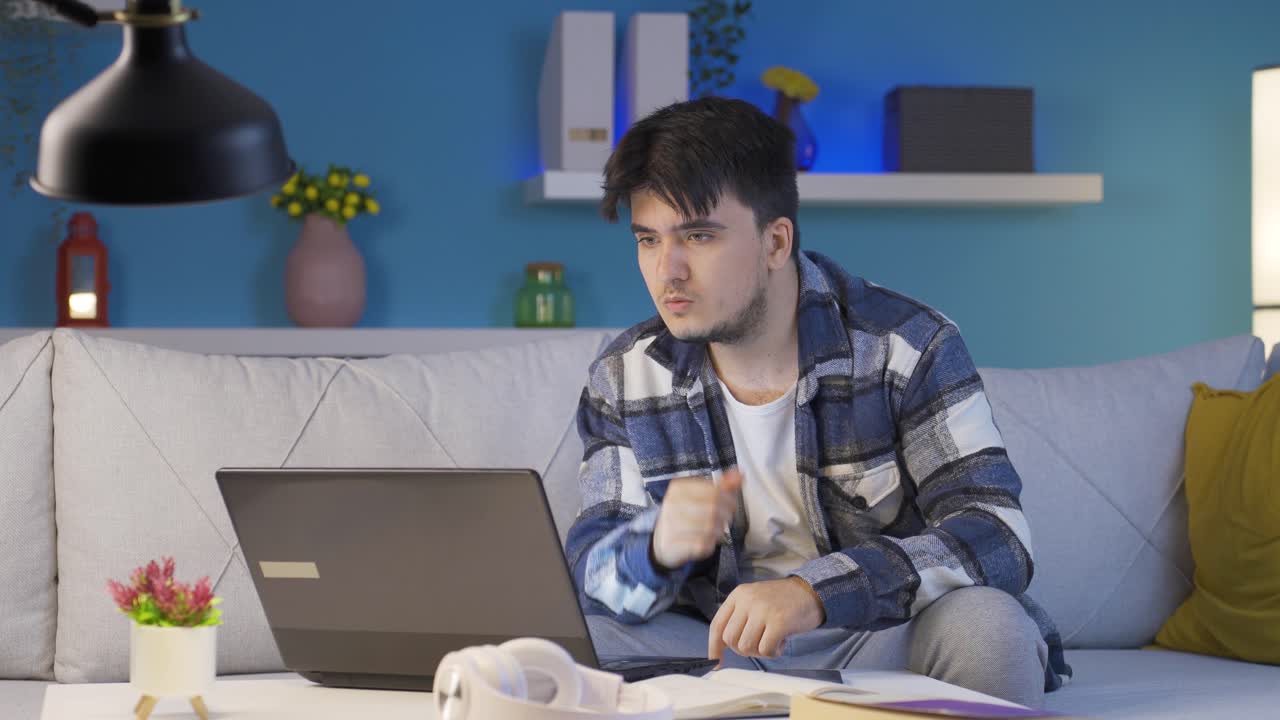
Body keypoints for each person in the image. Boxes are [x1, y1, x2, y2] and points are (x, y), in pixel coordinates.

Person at [562, 97, 1070, 708]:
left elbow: (996, 532)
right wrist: (655, 546)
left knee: (990, 631)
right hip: (717, 642)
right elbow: (595, 576)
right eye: (649, 239)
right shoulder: (624, 375)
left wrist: (814, 591)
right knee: (553, 645)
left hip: (880, 635)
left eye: (698, 236)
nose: (667, 270)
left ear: (777, 241)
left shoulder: (906, 346)